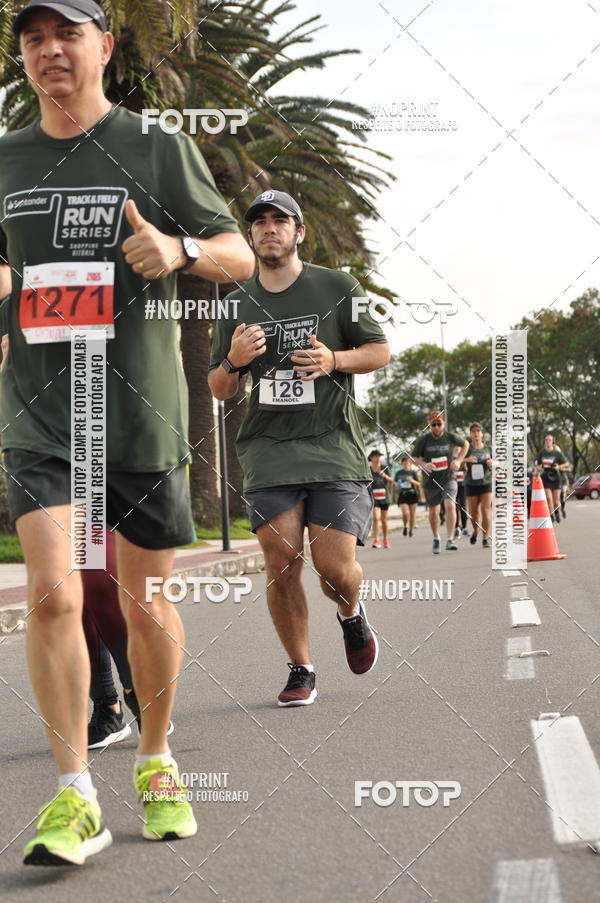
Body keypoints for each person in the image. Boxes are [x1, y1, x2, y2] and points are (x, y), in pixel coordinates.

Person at [0, 0, 254, 866]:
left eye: (65, 34)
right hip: (40, 410)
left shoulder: (154, 148)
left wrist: (182, 253)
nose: (47, 51)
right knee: (56, 593)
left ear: (105, 45)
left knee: (145, 601)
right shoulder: (6, 157)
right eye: (31, 39)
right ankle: (74, 794)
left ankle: (155, 760)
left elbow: (239, 254)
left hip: (140, 413)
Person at [209, 190, 390, 706]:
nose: (270, 229)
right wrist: (233, 361)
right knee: (281, 560)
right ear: (250, 235)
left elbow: (380, 350)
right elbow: (219, 389)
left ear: (299, 231)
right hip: (268, 449)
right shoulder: (236, 304)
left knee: (334, 570)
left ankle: (351, 613)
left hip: (332, 445)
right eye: (260, 222)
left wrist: (334, 359)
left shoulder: (337, 286)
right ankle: (301, 667)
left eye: (280, 221)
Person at [411, 412, 468, 554]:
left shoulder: (450, 437)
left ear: (443, 424)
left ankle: (450, 539)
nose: (436, 427)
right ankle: (436, 537)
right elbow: (414, 458)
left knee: (450, 506)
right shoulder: (424, 440)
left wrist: (459, 460)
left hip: (448, 478)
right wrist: (424, 464)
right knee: (434, 512)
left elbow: (466, 444)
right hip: (431, 481)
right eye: (433, 424)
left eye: (439, 424)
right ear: (430, 425)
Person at [463, 423, 497, 549]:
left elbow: (499, 461)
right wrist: (466, 460)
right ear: (470, 434)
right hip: (471, 483)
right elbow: (457, 461)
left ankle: (485, 538)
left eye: (478, 431)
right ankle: (476, 530)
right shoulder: (467, 449)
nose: (476, 434)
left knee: (485, 509)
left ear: (482, 434)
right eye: (473, 431)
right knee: (473, 513)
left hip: (486, 482)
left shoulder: (488, 448)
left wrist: (492, 462)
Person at [534, 435, 569, 523]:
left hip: (556, 477)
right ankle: (551, 516)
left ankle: (557, 512)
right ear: (544, 441)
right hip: (545, 477)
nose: (547, 441)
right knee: (549, 498)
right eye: (546, 440)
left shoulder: (557, 453)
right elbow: (537, 464)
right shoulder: (541, 453)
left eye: (549, 440)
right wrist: (539, 468)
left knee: (556, 501)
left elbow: (567, 463)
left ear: (553, 441)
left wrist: (559, 466)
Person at [368, 449, 395, 548]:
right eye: (375, 456)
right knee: (376, 518)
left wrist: (384, 475)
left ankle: (385, 540)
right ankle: (376, 540)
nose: (377, 458)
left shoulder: (384, 468)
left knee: (384, 520)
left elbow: (392, 480)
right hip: (374, 497)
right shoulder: (369, 470)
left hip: (384, 497)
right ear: (371, 458)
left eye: (379, 456)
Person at [395, 455, 420, 536]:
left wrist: (412, 481)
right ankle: (405, 526)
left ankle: (411, 530)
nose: (406, 464)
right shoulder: (399, 473)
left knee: (412, 514)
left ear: (410, 464)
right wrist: (398, 484)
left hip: (412, 494)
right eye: (404, 463)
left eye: (408, 463)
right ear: (402, 464)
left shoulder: (413, 472)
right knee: (406, 513)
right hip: (403, 495)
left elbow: (418, 484)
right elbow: (395, 482)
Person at [454, 465, 468, 537]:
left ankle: (464, 528)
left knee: (463, 506)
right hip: (453, 486)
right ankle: (456, 528)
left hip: (463, 486)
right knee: (455, 508)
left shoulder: (464, 458)